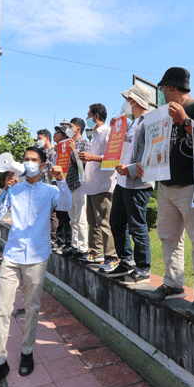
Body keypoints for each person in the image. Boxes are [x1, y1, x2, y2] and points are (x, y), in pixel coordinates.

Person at [0, 147, 71, 387]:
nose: (29, 163)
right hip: (12, 255)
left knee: (32, 307)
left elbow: (65, 205)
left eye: (34, 160)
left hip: (37, 256)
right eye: (26, 160)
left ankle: (27, 352)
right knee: (1, 309)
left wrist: (61, 180)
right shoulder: (15, 188)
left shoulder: (50, 190)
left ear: (42, 166)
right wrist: (4, 191)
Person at [144, 67, 194, 320]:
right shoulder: (162, 114)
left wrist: (186, 121)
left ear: (173, 88)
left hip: (192, 184)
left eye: (164, 89)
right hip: (166, 185)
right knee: (168, 237)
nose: (163, 94)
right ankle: (173, 283)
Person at [107, 84, 154, 284]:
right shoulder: (132, 123)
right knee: (116, 222)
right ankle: (126, 261)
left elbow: (154, 151)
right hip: (123, 181)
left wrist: (132, 169)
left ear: (135, 101)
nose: (126, 103)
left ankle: (143, 268)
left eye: (128, 99)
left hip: (138, 183)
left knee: (137, 225)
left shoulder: (150, 122)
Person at [78, 103, 118, 271]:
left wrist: (92, 157)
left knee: (104, 222)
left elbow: (112, 156)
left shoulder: (108, 132)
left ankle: (112, 256)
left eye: (88, 115)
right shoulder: (93, 136)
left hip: (104, 184)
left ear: (96, 116)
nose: (87, 119)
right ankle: (96, 252)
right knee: (92, 221)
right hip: (92, 184)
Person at [64, 118, 91, 258]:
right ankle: (74, 245)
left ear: (78, 129)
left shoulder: (84, 143)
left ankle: (83, 248)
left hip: (80, 184)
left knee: (80, 218)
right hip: (69, 183)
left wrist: (74, 150)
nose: (68, 129)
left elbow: (83, 163)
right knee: (73, 218)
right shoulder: (67, 144)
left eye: (70, 126)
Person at [52, 126, 72, 251]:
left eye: (58, 132)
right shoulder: (57, 150)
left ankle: (68, 241)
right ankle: (60, 240)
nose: (55, 134)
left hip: (65, 184)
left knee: (66, 214)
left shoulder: (67, 149)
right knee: (59, 213)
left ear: (64, 135)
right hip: (56, 183)